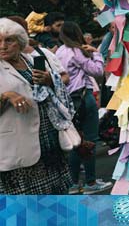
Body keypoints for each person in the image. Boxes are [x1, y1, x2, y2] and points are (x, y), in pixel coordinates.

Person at [0, 18, 73, 194]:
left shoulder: (32, 60)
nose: (3, 46)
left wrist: (50, 80)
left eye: (8, 40)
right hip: (18, 147)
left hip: (48, 142)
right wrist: (6, 96)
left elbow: (58, 87)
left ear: (20, 41)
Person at [56, 21, 111, 194]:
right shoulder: (77, 51)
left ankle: (73, 183)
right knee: (89, 140)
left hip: (66, 100)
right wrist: (96, 54)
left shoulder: (59, 52)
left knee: (75, 141)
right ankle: (90, 182)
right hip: (82, 97)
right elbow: (97, 71)